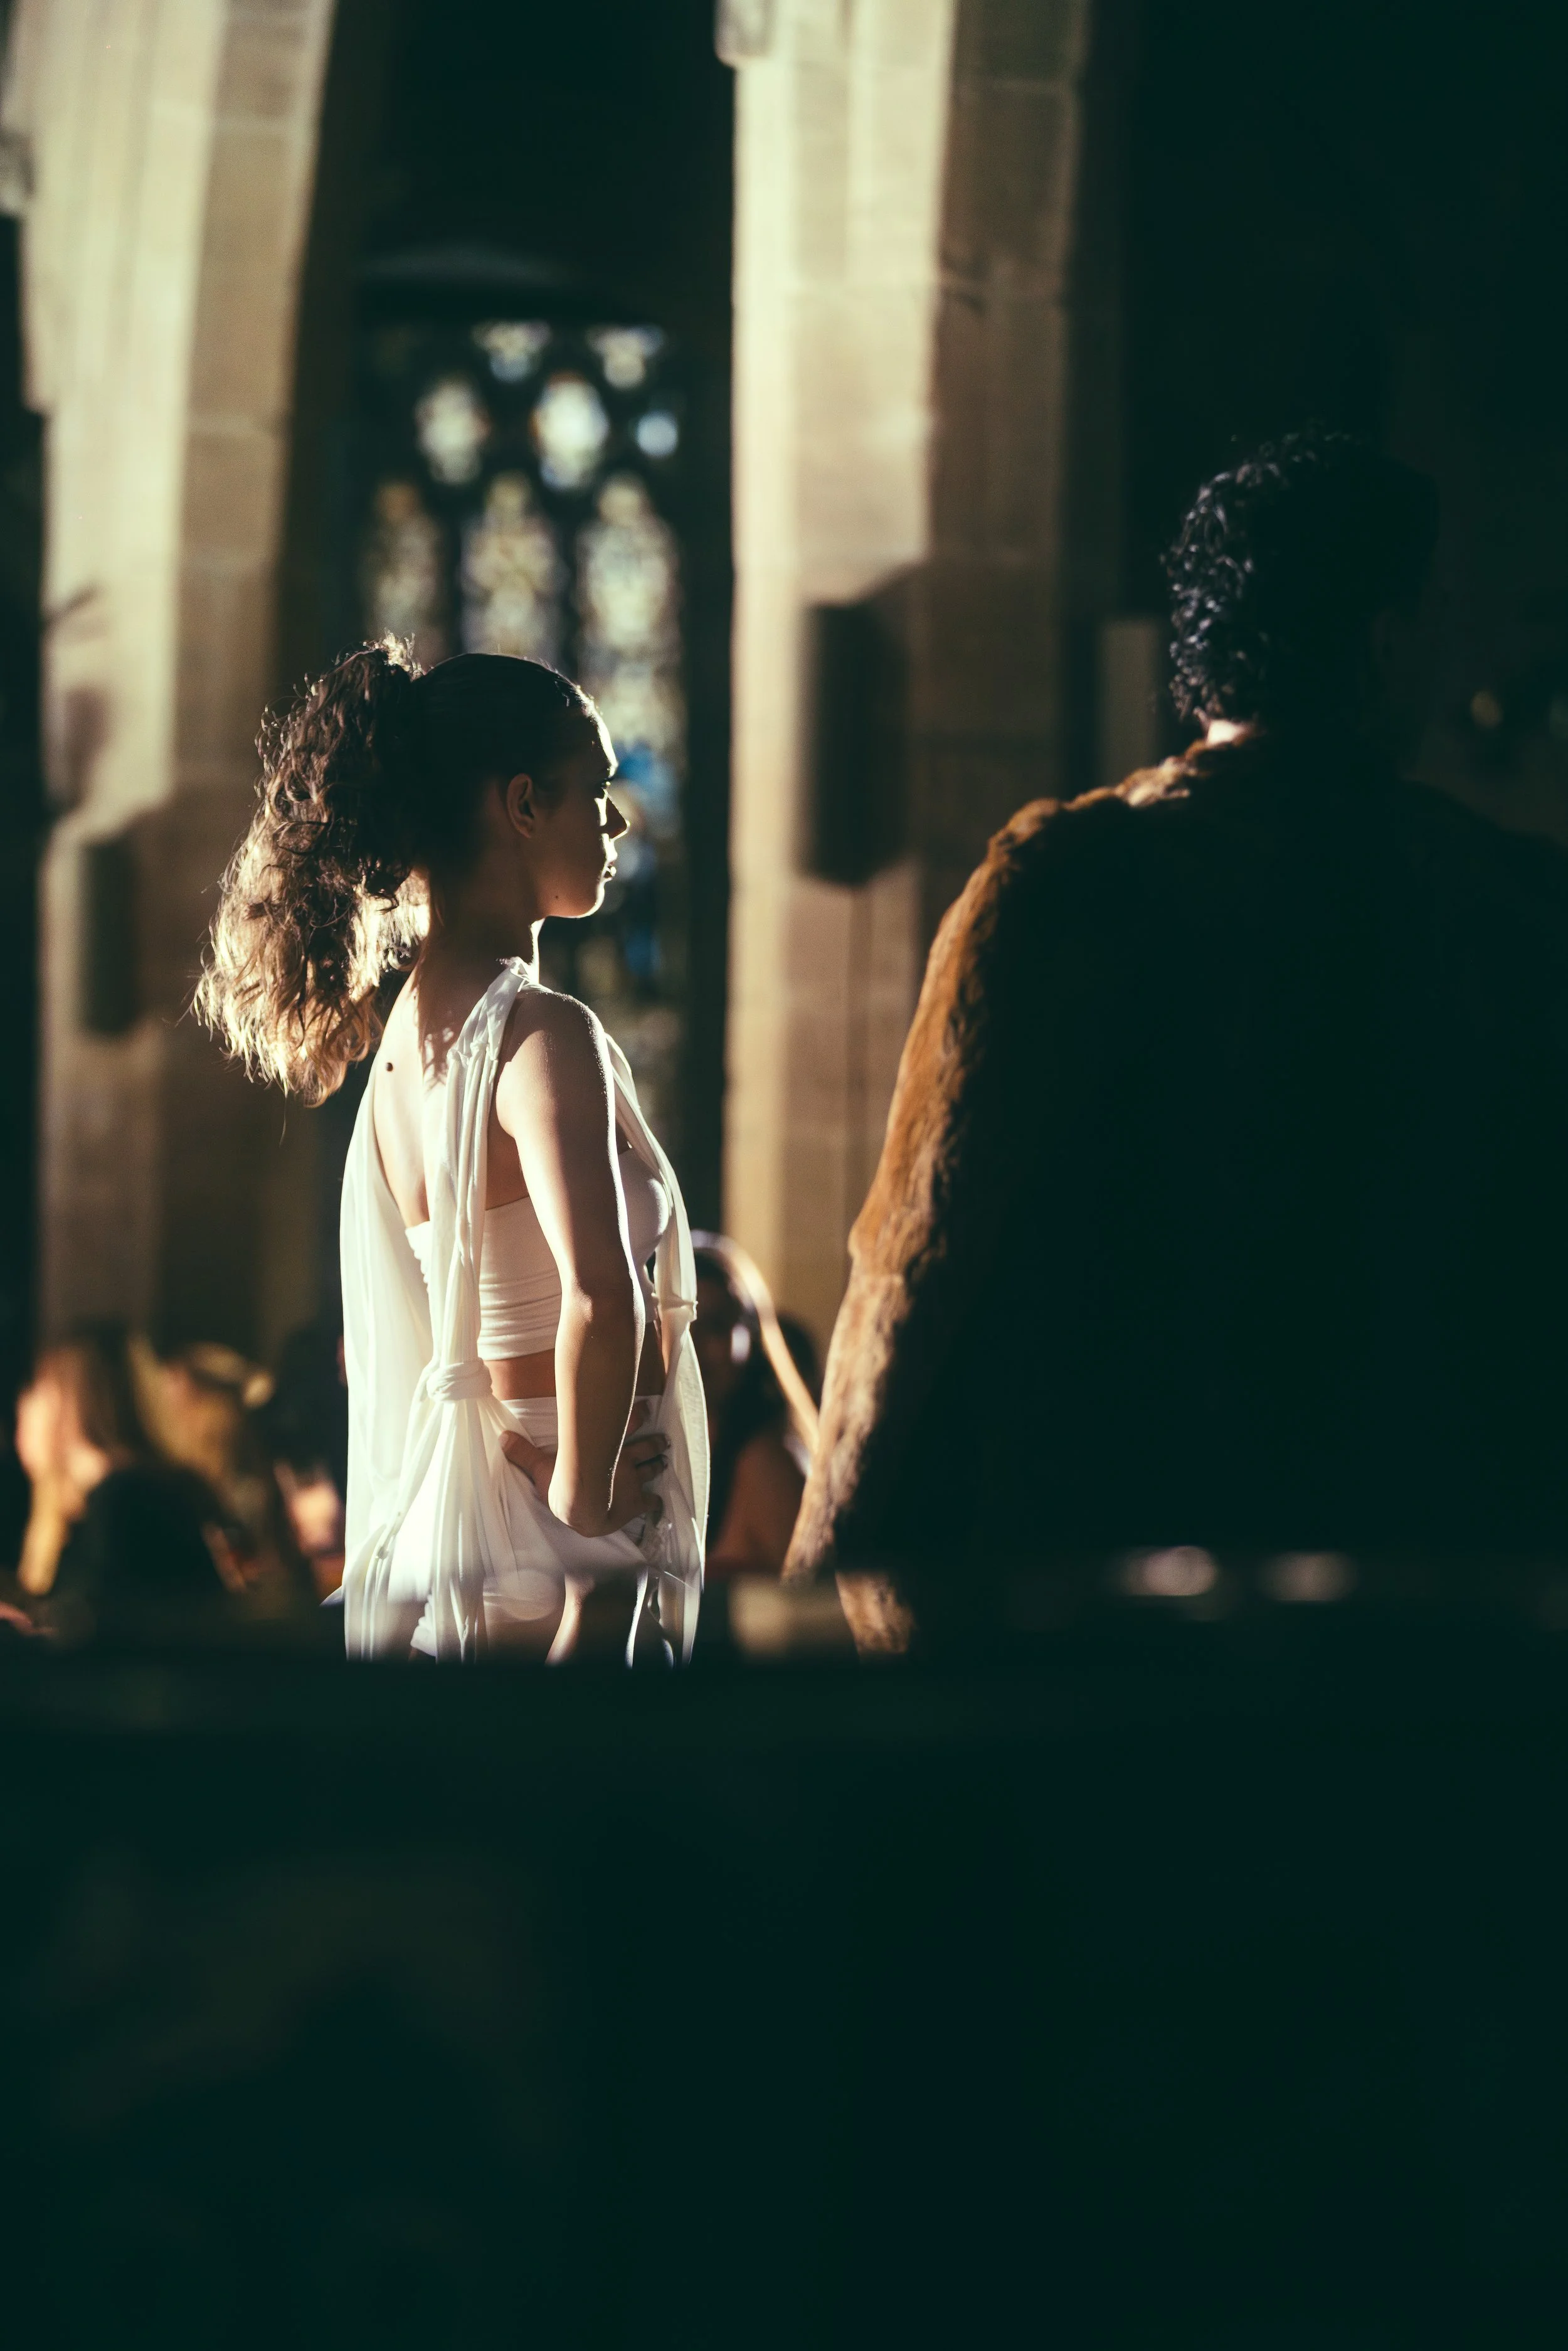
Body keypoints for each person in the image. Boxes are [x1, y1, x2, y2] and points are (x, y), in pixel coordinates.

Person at [785, 430, 1568, 1648]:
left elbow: (915, 1273)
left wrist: (823, 1574)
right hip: (1430, 1599)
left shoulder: (1066, 882)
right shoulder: (1508, 904)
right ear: (1379, 641)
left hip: (1102, 1591)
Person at [198, 642, 707, 1661]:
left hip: (467, 1510)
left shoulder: (401, 1050)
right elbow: (599, 1296)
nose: (615, 822)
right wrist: (588, 1491)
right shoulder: (537, 1031)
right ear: (522, 803)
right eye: (596, 788)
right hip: (565, 1532)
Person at [14, 1324, 233, 1634]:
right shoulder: (132, 1494)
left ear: (71, 1401)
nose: (25, 1407)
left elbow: (100, 1640)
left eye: (38, 1389)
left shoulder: (126, 1499)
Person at [691, 1236, 817, 1580]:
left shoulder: (765, 1463)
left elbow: (803, 1614)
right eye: (679, 1326)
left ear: (752, 1335)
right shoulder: (675, 1451)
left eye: (715, 1325)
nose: (694, 1346)